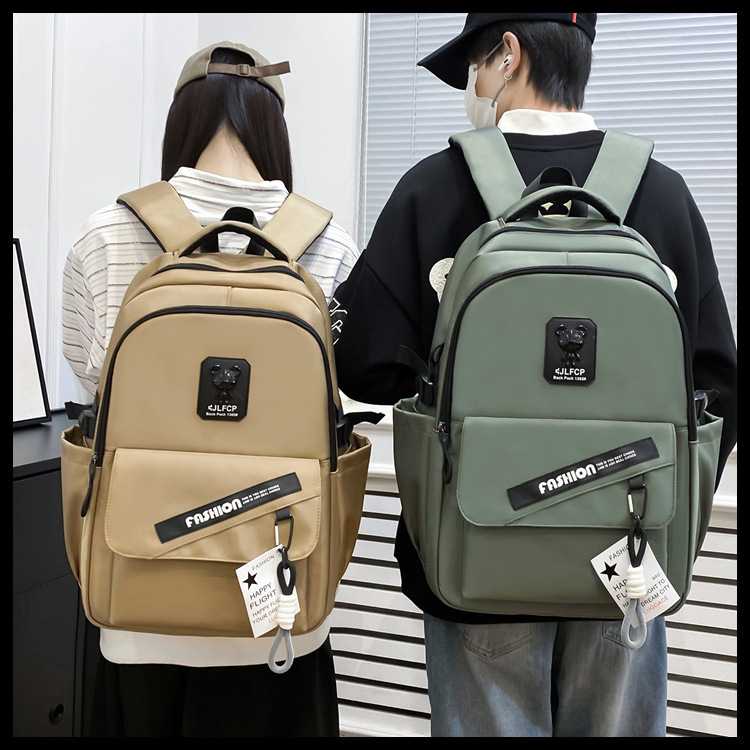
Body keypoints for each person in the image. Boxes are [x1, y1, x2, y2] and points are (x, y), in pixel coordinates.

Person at [330, 13, 737, 738]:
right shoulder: (662, 195)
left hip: (474, 563)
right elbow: (719, 387)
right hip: (627, 562)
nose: (472, 87)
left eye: (472, 68)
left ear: (508, 56)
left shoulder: (436, 187)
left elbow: (361, 362)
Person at [62, 40, 360, 737]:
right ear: (275, 129)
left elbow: (94, 385)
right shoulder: (332, 246)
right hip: (284, 605)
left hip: (134, 599)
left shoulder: (104, 236)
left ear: (180, 122)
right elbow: (339, 401)